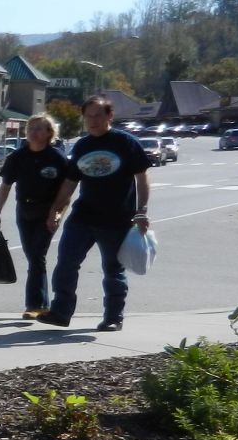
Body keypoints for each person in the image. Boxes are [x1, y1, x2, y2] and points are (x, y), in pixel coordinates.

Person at [37, 96, 152, 332]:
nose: (92, 121)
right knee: (66, 263)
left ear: (110, 116)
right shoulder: (82, 145)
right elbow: (70, 182)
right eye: (88, 116)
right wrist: (55, 210)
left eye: (98, 115)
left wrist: (141, 210)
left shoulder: (126, 143)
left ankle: (113, 317)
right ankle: (61, 312)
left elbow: (142, 178)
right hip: (83, 217)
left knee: (113, 270)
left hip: (117, 219)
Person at [0, 114, 68, 318]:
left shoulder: (57, 158)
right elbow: (5, 186)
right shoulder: (17, 157)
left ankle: (35, 305)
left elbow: (67, 192)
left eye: (39, 129)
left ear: (49, 133)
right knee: (33, 256)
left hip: (48, 211)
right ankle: (42, 302)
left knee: (36, 255)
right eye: (31, 129)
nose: (34, 133)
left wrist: (57, 214)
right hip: (25, 211)